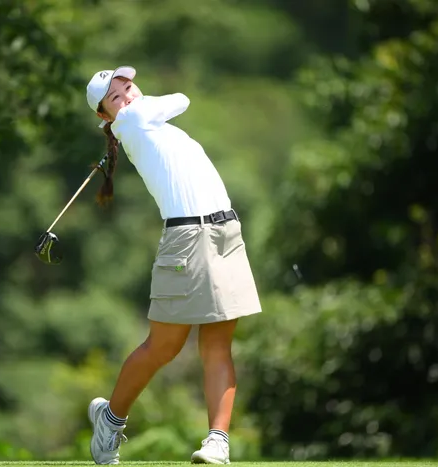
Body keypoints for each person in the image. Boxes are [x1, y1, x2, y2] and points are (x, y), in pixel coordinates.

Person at [84, 65, 262, 465]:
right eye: (115, 97)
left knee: (217, 346)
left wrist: (133, 107)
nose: (127, 97)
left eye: (128, 87)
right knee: (163, 346)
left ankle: (217, 442)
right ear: (104, 114)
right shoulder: (132, 120)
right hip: (187, 239)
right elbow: (182, 99)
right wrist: (133, 109)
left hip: (225, 232)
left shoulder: (148, 124)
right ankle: (110, 420)